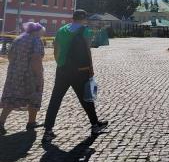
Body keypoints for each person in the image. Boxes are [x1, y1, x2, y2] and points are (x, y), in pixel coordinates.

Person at [43, 9, 108, 142]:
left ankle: (48, 130)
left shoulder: (62, 30)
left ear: (73, 18)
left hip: (62, 69)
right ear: (84, 19)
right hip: (80, 70)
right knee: (86, 98)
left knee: (55, 99)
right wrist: (91, 68)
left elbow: (56, 48)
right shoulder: (86, 30)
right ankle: (95, 125)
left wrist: (60, 63)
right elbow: (87, 51)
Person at [0, 22, 46, 135]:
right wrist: (39, 76)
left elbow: (9, 56)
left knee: (11, 97)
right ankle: (31, 122)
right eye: (41, 33)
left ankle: (1, 122)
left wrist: (18, 66)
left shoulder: (19, 39)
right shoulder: (36, 40)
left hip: (15, 74)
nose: (42, 35)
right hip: (30, 75)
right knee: (34, 96)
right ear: (37, 31)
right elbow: (36, 59)